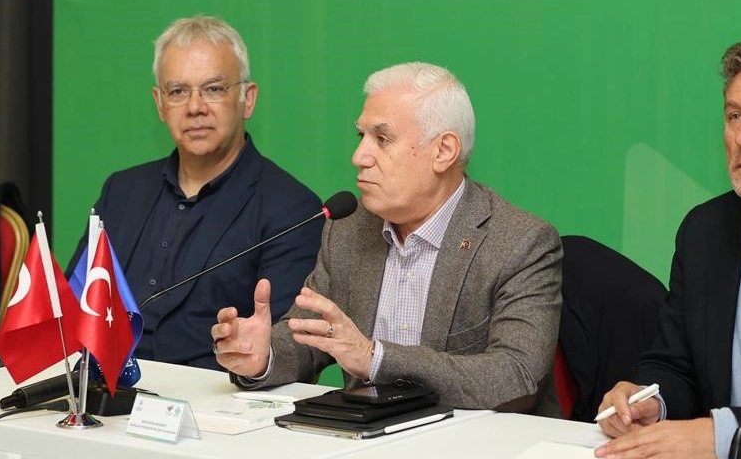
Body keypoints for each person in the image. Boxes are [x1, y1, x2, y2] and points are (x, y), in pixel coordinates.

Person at [212, 62, 563, 414]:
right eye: (361, 136)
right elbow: (309, 336)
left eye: (382, 139)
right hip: (364, 435)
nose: (359, 157)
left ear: (443, 151)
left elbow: (517, 375)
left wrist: (374, 358)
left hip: (476, 441)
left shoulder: (519, 242)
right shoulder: (348, 229)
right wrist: (262, 354)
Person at [596, 35, 741, 459]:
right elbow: (675, 364)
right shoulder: (705, 231)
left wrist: (722, 436)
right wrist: (649, 401)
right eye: (735, 115)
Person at [69, 15, 321, 370]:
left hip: (214, 396)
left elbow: (287, 350)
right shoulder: (121, 191)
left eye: (214, 89)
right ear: (159, 104)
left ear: (248, 99)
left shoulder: (292, 209)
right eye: (178, 91)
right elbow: (76, 304)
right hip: (105, 387)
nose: (195, 107)